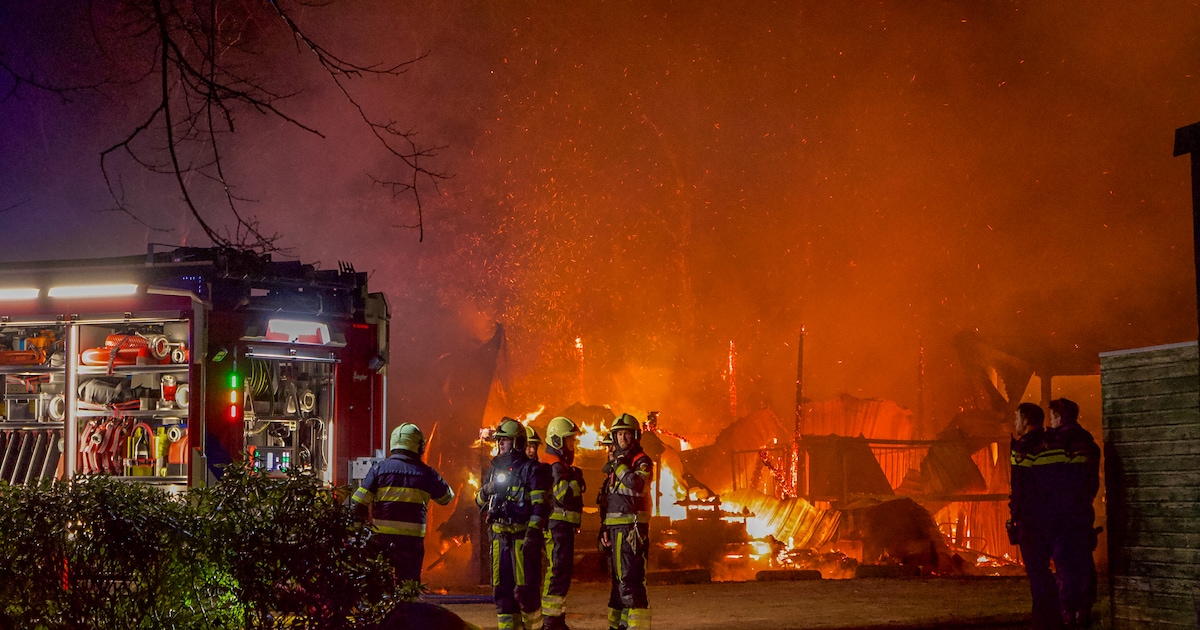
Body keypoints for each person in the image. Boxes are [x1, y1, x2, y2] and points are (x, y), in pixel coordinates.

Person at [351, 423, 454, 584]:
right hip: (411, 544)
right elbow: (446, 498)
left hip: (381, 541)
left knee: (377, 585)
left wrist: (358, 532)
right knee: (408, 587)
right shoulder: (427, 474)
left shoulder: (379, 470)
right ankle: (406, 608)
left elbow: (357, 503)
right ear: (419, 446)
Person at [476, 418, 551, 630]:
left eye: (505, 441)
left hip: (522, 543)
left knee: (526, 594)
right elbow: (478, 503)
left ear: (517, 443)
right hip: (500, 541)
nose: (500, 445)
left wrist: (532, 538)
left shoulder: (532, 471)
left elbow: (540, 509)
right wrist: (486, 490)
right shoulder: (493, 471)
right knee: (502, 595)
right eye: (499, 441)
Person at [1046, 398, 1101, 628]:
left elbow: (1048, 480)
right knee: (1083, 560)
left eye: (1051, 417)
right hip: (1083, 511)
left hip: (1061, 513)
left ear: (1059, 417)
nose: (1050, 421)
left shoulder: (1055, 442)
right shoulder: (1089, 443)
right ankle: (1083, 610)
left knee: (1064, 562)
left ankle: (1068, 611)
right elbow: (1091, 481)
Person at [1008, 402, 1060, 629]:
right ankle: (1057, 614)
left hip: (1032, 520)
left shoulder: (1023, 448)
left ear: (1026, 421)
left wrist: (1016, 516)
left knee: (1037, 570)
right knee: (1052, 569)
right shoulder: (1054, 443)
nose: (1015, 423)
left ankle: (1043, 619)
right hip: (1055, 516)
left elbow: (1020, 488)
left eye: (1017, 418)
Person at [601, 413, 654, 630]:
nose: (622, 439)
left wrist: (621, 464)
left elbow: (636, 484)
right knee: (618, 585)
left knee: (630, 583)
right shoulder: (614, 464)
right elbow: (610, 500)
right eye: (618, 434)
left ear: (635, 436)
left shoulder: (641, 461)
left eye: (626, 434)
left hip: (631, 531)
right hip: (615, 530)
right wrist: (604, 528)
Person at [541, 416, 586, 630]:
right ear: (557, 441)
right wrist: (575, 482)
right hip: (557, 527)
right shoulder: (556, 467)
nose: (573, 445)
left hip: (562, 528)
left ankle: (556, 621)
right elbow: (563, 496)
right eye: (570, 440)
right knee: (557, 573)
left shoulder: (562, 466)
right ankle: (551, 622)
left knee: (561, 573)